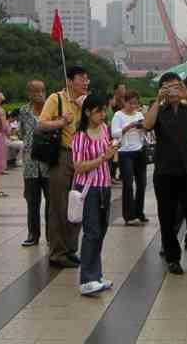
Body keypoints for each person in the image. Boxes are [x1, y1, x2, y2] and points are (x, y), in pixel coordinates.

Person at [143, 72, 187, 275]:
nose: (173, 90)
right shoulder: (159, 110)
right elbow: (147, 125)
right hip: (165, 171)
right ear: (162, 88)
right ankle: (173, 258)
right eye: (168, 86)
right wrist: (157, 99)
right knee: (167, 216)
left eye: (176, 86)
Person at [40, 66, 89, 268]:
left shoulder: (85, 102)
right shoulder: (56, 99)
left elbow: (100, 120)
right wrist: (62, 121)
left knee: (77, 203)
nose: (86, 82)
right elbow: (42, 124)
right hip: (62, 155)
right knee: (59, 205)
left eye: (87, 79)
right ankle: (57, 252)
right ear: (70, 81)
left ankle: (71, 249)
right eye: (81, 79)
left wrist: (85, 107)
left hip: (82, 157)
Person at [73, 94, 119, 296]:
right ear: (87, 112)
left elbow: (108, 153)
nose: (102, 115)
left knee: (101, 230)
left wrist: (111, 151)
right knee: (91, 232)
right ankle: (87, 279)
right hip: (88, 188)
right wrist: (103, 157)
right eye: (98, 111)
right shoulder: (80, 136)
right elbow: (78, 166)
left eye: (103, 110)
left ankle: (96, 275)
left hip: (104, 186)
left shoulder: (103, 129)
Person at [19, 80, 50, 247]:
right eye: (35, 91)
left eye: (42, 91)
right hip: (30, 165)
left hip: (48, 163)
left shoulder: (51, 110)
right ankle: (33, 234)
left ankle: (51, 235)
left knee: (51, 202)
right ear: (29, 93)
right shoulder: (24, 111)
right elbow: (22, 132)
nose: (39, 94)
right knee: (32, 202)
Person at [111, 90, 148, 225]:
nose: (133, 106)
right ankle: (129, 215)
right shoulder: (118, 115)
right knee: (128, 184)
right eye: (130, 103)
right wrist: (129, 126)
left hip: (139, 151)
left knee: (142, 184)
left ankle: (139, 212)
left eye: (136, 104)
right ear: (124, 102)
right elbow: (114, 133)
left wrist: (143, 126)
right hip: (125, 152)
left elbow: (146, 130)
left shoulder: (139, 114)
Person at [107, 82, 126, 182]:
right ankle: (112, 175)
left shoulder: (124, 101)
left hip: (122, 132)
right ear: (116, 91)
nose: (123, 90)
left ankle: (119, 174)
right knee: (115, 154)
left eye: (124, 88)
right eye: (121, 89)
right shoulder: (112, 105)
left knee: (118, 154)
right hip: (114, 133)